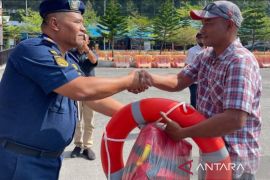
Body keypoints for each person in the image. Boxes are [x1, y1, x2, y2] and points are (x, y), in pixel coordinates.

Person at [0, 0, 148, 179]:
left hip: (48, 160)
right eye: (77, 22)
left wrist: (140, 119)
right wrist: (129, 80)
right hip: (20, 161)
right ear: (55, 23)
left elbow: (93, 99)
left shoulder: (69, 58)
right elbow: (81, 90)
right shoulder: (34, 50)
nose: (83, 29)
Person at [139, 1, 262, 179]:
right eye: (202, 24)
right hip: (210, 149)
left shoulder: (239, 62)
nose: (202, 30)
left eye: (209, 23)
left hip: (234, 159)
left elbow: (234, 119)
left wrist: (183, 133)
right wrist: (147, 78)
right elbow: (179, 80)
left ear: (229, 25)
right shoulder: (206, 56)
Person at [69, 35, 98, 160]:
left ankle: (87, 146)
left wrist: (86, 49)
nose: (81, 40)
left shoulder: (91, 53)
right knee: (77, 120)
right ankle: (77, 145)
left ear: (88, 41)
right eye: (79, 37)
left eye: (83, 38)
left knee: (89, 120)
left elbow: (93, 61)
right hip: (75, 90)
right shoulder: (71, 54)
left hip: (90, 91)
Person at [185, 32, 205, 108]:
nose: (202, 40)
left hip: (205, 80)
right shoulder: (192, 50)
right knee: (194, 100)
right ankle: (194, 117)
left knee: (204, 100)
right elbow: (187, 65)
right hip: (194, 81)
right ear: (197, 39)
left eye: (203, 38)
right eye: (200, 38)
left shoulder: (210, 49)